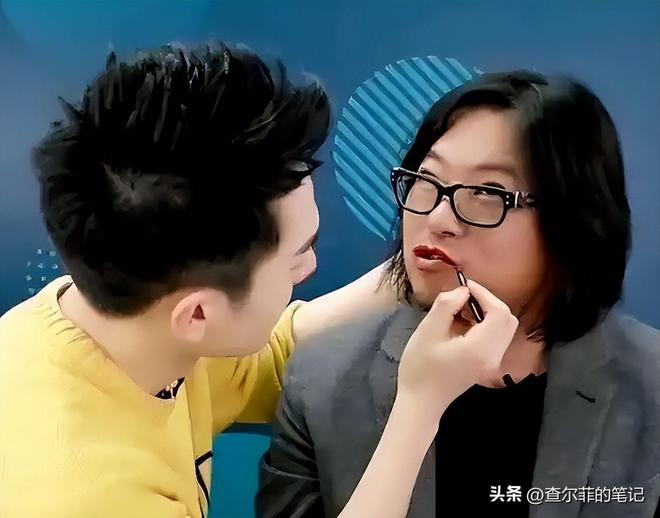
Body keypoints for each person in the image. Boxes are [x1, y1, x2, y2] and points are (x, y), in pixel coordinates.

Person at [0, 41, 520, 518]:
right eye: (297, 256)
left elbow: (273, 353)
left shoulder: (111, 325)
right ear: (198, 314)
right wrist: (420, 407)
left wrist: (428, 252)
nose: (309, 269)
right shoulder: (83, 498)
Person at [257, 71, 660, 518]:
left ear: (573, 222)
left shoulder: (650, 384)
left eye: (487, 192)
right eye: (427, 179)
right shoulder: (320, 381)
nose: (438, 218)